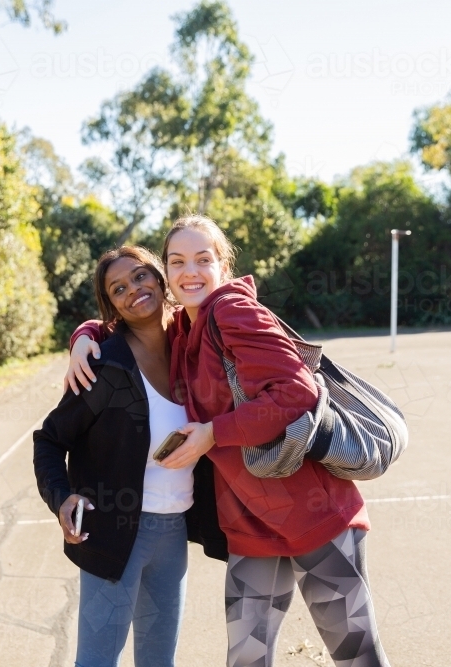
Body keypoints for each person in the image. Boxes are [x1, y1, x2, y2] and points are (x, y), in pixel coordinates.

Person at [67, 215, 391, 667]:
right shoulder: (182, 328)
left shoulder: (231, 311)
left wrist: (214, 433)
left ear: (223, 265)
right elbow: (127, 317)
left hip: (313, 515)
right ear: (166, 274)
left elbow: (295, 394)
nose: (190, 271)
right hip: (249, 524)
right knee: (247, 660)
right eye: (177, 262)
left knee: (358, 656)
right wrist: (83, 336)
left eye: (203, 259)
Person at [34, 245, 227, 667]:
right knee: (97, 661)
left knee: (159, 661)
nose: (133, 290)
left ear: (159, 278)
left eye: (140, 276)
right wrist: (60, 497)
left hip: (173, 531)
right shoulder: (105, 367)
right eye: (118, 288)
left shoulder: (191, 345)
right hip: (111, 531)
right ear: (112, 307)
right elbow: (48, 439)